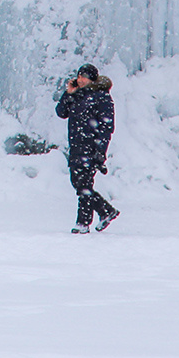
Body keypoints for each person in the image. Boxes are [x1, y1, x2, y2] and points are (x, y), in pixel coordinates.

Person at [55, 64, 118, 234]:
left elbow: (106, 127)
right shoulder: (78, 95)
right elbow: (61, 112)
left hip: (90, 147)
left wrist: (100, 151)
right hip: (76, 146)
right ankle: (106, 211)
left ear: (92, 79)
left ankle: (83, 222)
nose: (80, 80)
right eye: (79, 76)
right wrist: (68, 93)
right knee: (78, 183)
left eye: (84, 77)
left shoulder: (101, 97)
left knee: (84, 184)